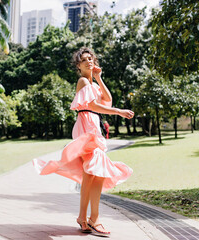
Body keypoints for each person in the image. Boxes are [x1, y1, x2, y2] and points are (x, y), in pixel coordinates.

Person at [33, 47, 134, 236]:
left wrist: (99, 77)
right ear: (78, 65)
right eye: (85, 60)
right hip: (86, 127)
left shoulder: (92, 84)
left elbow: (108, 100)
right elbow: (94, 105)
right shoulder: (82, 82)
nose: (89, 61)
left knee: (96, 173)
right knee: (94, 171)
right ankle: (91, 218)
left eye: (91, 58)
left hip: (93, 125)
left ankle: (86, 218)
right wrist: (120, 111)